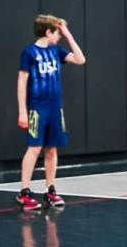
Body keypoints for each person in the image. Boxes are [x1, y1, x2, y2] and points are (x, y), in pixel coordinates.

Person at [15, 15, 86, 210]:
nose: (60, 36)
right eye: (58, 32)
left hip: (55, 108)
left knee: (52, 148)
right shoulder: (29, 53)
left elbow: (80, 59)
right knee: (34, 148)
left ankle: (50, 189)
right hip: (37, 108)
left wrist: (68, 34)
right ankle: (24, 192)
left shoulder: (57, 51)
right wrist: (22, 110)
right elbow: (22, 82)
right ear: (48, 32)